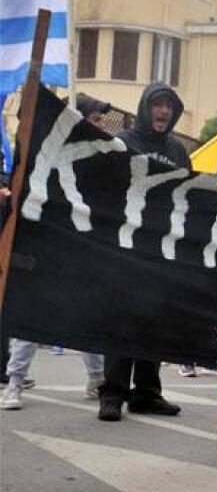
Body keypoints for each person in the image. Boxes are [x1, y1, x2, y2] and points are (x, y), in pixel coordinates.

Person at [1, 95, 114, 411]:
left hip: (80, 249)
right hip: (43, 248)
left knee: (85, 315)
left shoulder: (97, 157)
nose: (100, 126)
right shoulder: (41, 155)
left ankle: (97, 377)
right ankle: (14, 383)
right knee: (31, 316)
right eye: (94, 120)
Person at [98, 83, 188, 422]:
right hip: (126, 245)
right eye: (158, 104)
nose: (163, 111)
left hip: (162, 249)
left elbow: (190, 193)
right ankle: (112, 394)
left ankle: (147, 393)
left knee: (155, 322)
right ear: (145, 107)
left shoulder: (178, 151)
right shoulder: (124, 143)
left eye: (169, 105)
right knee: (122, 319)